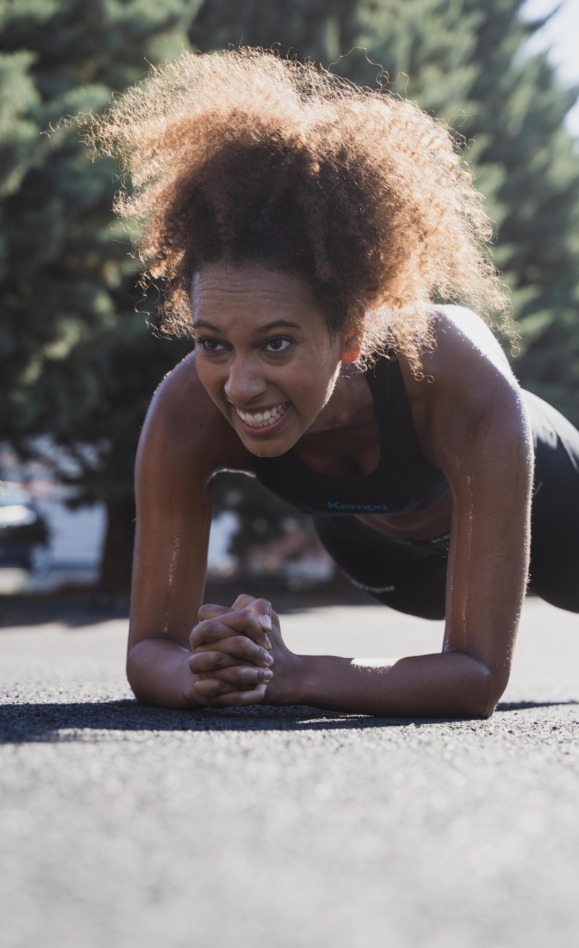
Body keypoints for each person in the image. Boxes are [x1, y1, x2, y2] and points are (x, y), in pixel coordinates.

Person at [92, 48, 579, 719]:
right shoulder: (185, 412)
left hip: (558, 522)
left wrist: (292, 675)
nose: (238, 384)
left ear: (349, 334)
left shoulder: (455, 380)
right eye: (212, 344)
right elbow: (151, 649)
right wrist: (204, 671)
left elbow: (472, 678)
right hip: (384, 558)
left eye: (277, 343)